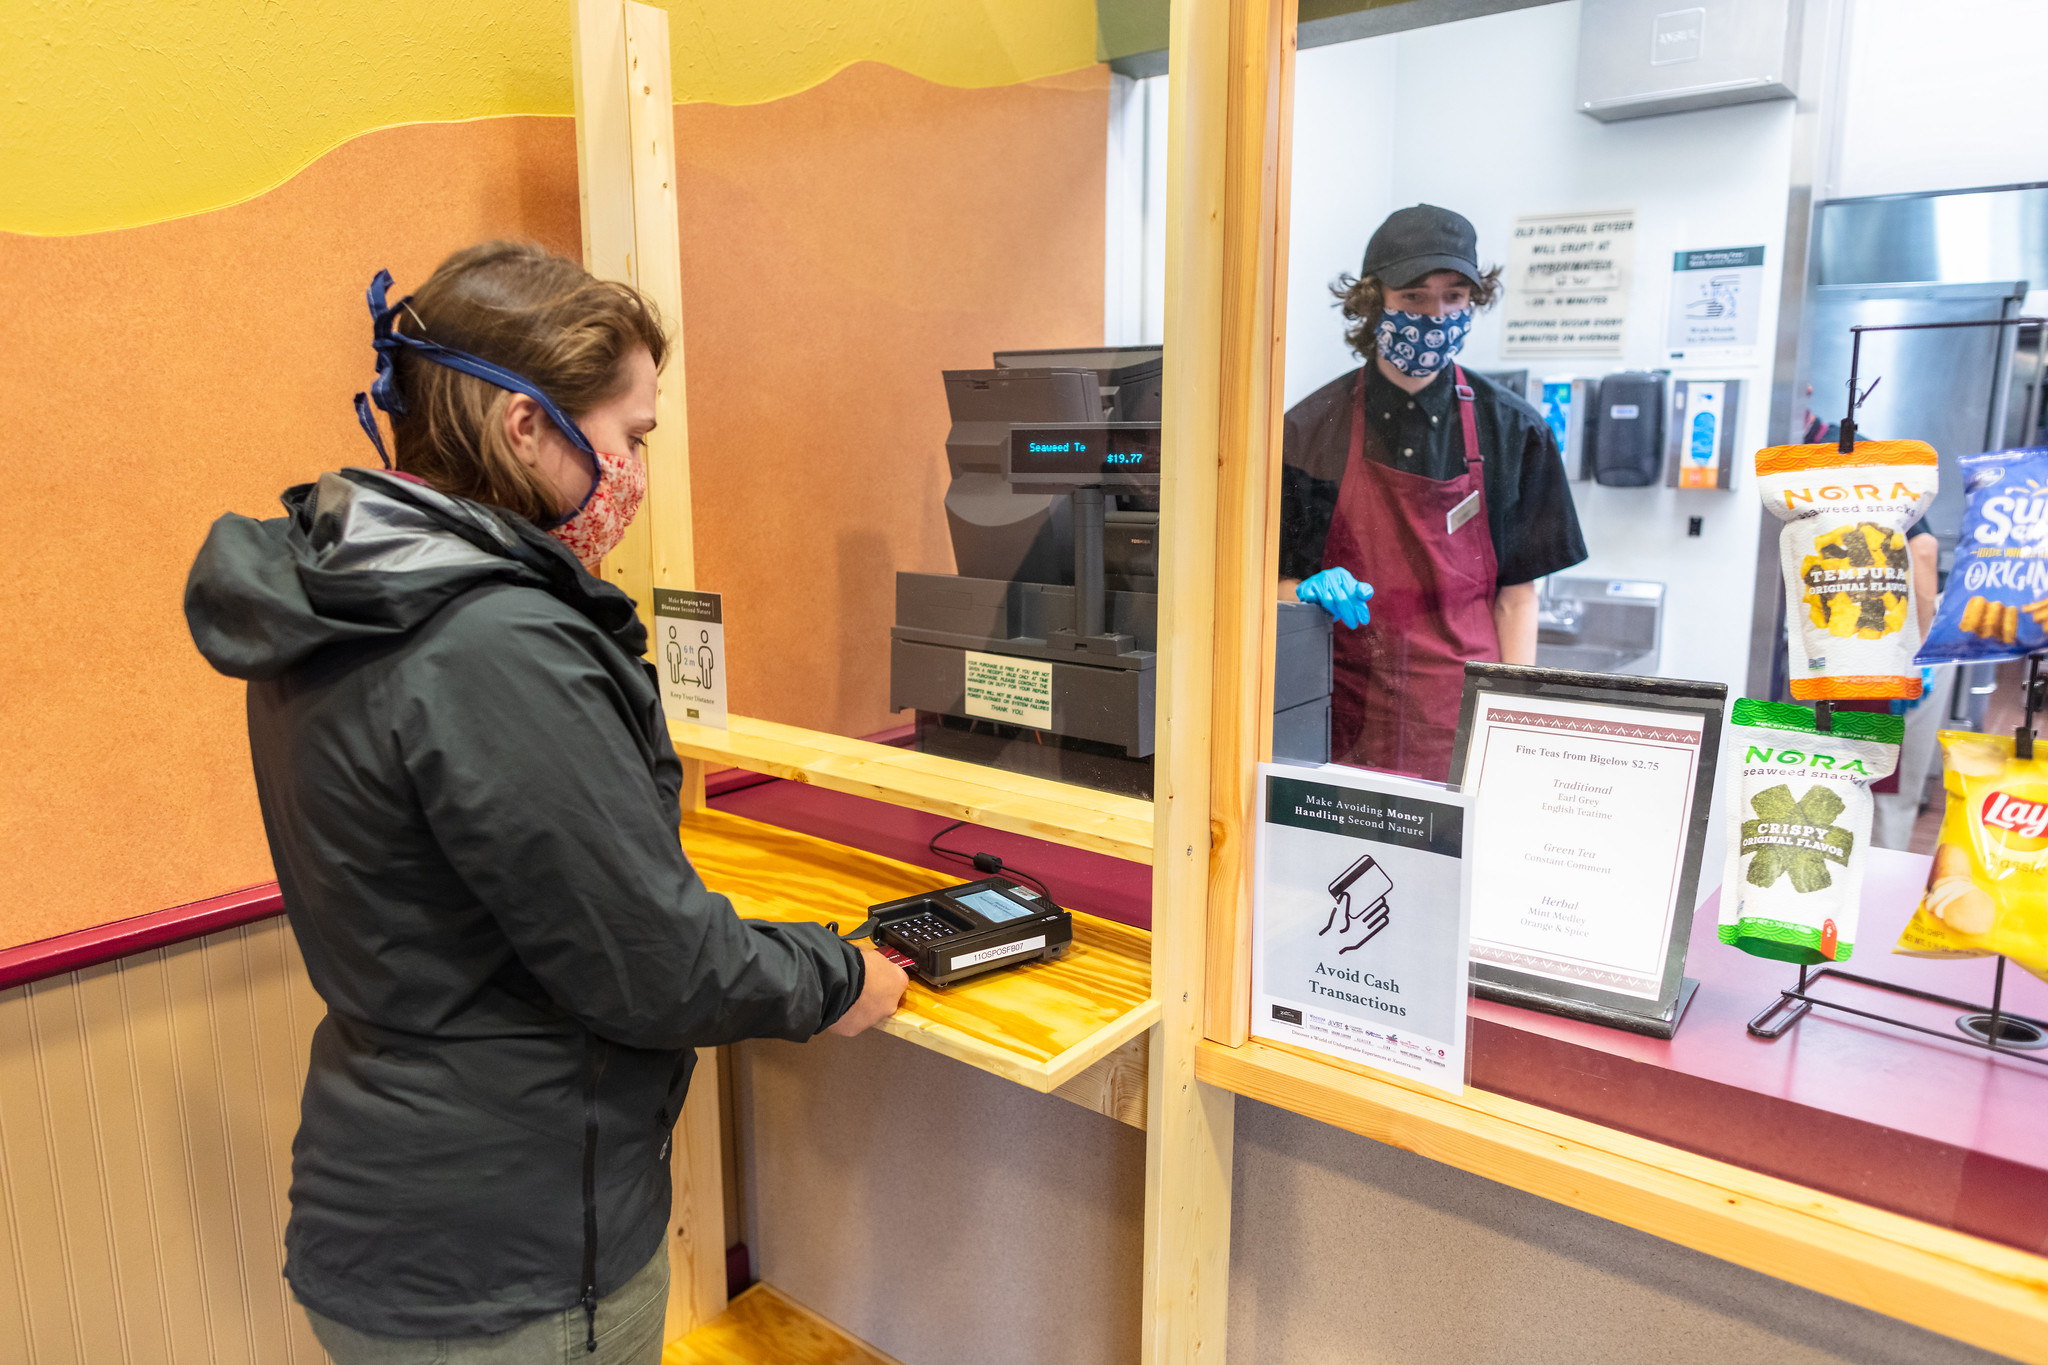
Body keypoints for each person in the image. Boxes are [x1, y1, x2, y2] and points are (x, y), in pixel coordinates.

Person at [184, 242, 907, 1365]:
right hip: (511, 1265)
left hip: (387, 1213)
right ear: (527, 428)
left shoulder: (338, 593)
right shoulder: (491, 642)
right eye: (630, 436)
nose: (636, 472)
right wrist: (838, 975)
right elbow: (653, 967)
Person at [1279, 204, 1588, 781]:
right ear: (1374, 303)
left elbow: (1518, 600)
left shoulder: (1515, 431)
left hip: (1460, 719)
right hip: (1340, 716)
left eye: (1454, 297)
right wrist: (1306, 591)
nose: (1436, 315)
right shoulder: (1308, 431)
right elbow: (1267, 582)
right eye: (1414, 298)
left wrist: (1515, 730)